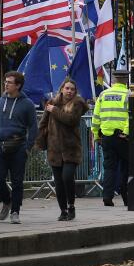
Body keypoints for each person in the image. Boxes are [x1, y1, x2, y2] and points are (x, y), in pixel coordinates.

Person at [0, 70, 37, 223]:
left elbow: (33, 127)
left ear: (18, 85)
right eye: (5, 81)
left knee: (17, 181)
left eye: (9, 82)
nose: (6, 84)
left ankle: (15, 212)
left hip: (18, 146)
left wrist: (28, 147)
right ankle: (7, 200)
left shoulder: (27, 104)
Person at [35, 78, 87, 221]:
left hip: (71, 148)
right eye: (67, 88)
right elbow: (43, 123)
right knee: (58, 182)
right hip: (54, 148)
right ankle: (63, 210)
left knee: (67, 177)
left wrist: (55, 110)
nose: (69, 91)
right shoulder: (52, 102)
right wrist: (40, 142)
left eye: (72, 89)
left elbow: (71, 120)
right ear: (62, 89)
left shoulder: (77, 103)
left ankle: (71, 205)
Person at [90, 70, 130, 206]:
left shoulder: (103, 94)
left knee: (109, 168)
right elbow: (131, 116)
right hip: (123, 138)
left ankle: (107, 196)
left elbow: (96, 117)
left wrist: (96, 134)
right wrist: (126, 132)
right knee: (126, 167)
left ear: (113, 80)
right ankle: (126, 196)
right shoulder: (129, 95)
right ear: (126, 80)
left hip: (106, 137)